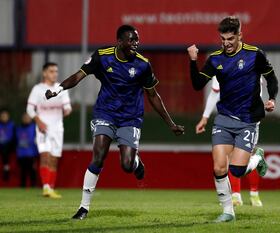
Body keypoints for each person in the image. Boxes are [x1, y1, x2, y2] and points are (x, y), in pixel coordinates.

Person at [45, 24, 185, 220]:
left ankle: (136, 162)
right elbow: (79, 75)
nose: (136, 43)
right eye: (131, 39)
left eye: (137, 39)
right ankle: (83, 208)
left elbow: (153, 95)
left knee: (126, 165)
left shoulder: (143, 64)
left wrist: (170, 123)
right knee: (98, 156)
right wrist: (57, 90)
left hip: (130, 118)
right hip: (106, 113)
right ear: (120, 42)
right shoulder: (102, 56)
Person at [187, 16, 278, 222]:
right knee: (219, 167)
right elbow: (197, 84)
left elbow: (271, 77)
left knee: (236, 170)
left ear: (239, 35)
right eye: (223, 39)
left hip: (248, 119)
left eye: (230, 38)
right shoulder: (216, 59)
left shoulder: (255, 55)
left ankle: (257, 158)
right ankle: (228, 212)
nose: (226, 43)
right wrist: (193, 61)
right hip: (224, 118)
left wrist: (272, 98)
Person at [196, 78, 264, 207]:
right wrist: (205, 117)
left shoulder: (253, 62)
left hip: (248, 120)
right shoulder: (221, 64)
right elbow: (215, 92)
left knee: (247, 157)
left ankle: (254, 193)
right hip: (228, 120)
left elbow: (258, 91)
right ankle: (235, 195)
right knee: (229, 158)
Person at [27, 62, 72, 198]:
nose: (55, 74)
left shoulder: (61, 88)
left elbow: (68, 107)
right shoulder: (38, 89)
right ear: (44, 73)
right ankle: (46, 187)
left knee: (54, 159)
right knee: (45, 156)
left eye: (56, 71)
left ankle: (51, 188)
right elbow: (29, 109)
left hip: (57, 128)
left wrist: (67, 110)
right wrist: (38, 121)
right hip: (43, 128)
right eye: (51, 71)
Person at [16, 113, 38, 187]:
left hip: (31, 154)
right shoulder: (18, 128)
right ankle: (22, 186)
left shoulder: (35, 127)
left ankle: (33, 185)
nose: (26, 119)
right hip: (21, 154)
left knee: (32, 170)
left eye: (27, 118)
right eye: (24, 117)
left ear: (31, 119)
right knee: (23, 171)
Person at [0, 108, 15, 181]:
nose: (4, 117)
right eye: (2, 116)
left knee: (6, 151)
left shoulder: (12, 125)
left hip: (9, 146)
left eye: (5, 116)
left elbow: (14, 137)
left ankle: (6, 168)